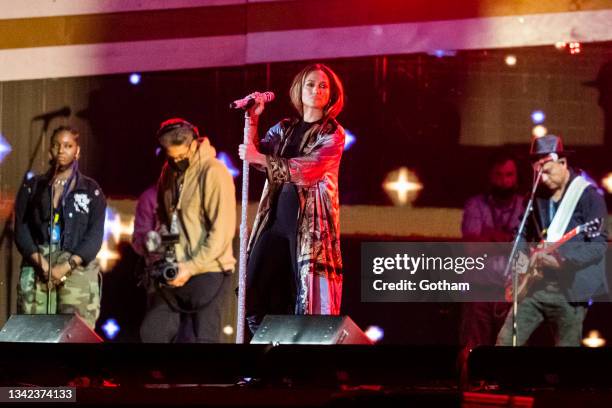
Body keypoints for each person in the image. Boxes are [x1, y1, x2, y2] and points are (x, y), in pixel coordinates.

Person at [238, 63, 345, 334]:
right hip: (274, 220)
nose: (316, 90)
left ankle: (295, 363)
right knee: (251, 291)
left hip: (310, 227)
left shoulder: (332, 133)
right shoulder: (283, 128)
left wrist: (258, 157)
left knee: (302, 295)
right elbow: (259, 158)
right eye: (311, 84)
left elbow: (308, 169)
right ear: (299, 89)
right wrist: (252, 118)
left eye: (323, 86)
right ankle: (265, 347)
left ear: (331, 95)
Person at [496, 135, 608, 346]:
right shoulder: (536, 197)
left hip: (569, 290)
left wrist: (562, 260)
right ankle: (497, 379)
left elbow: (598, 244)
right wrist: (519, 267)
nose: (543, 178)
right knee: (505, 341)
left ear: (563, 163)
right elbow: (521, 234)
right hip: (534, 286)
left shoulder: (588, 196)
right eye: (538, 173)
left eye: (546, 172)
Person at [139, 118, 236, 343]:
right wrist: (158, 248)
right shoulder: (169, 171)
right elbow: (167, 220)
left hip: (209, 270)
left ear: (193, 143)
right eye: (171, 157)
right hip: (176, 268)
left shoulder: (214, 172)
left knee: (202, 342)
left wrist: (190, 267)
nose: (177, 161)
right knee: (153, 332)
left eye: (181, 157)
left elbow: (222, 232)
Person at [14, 126, 106, 329]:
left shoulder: (91, 190)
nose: (61, 150)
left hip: (75, 267)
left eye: (68, 146)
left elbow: (95, 236)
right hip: (40, 263)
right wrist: (42, 264)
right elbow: (21, 229)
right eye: (56, 145)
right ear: (50, 150)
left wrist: (66, 266)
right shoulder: (33, 187)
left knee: (74, 331)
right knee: (35, 332)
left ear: (77, 151)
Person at [458, 152, 524, 382]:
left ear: (516, 177)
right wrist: (506, 240)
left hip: (512, 292)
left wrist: (489, 238)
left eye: (509, 175)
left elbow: (526, 249)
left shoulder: (527, 207)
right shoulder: (475, 205)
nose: (504, 181)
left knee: (510, 357)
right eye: (499, 175)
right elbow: (471, 248)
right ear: (489, 176)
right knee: (473, 352)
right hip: (479, 290)